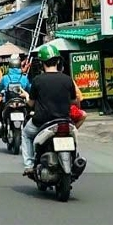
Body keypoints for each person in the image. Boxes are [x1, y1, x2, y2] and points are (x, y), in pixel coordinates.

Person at [20, 43, 82, 175]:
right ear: (58, 61)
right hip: (65, 121)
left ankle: (29, 164)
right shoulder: (67, 79)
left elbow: (31, 103)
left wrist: (27, 99)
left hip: (41, 122)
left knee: (26, 134)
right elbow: (73, 101)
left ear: (42, 63)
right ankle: (75, 159)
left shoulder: (37, 80)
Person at [0, 57, 31, 136]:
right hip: (22, 103)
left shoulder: (5, 78)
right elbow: (29, 89)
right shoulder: (24, 78)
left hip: (8, 102)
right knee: (29, 114)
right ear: (20, 67)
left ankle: (0, 126)